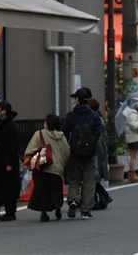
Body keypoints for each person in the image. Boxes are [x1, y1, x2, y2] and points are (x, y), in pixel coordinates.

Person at [61, 88, 103, 220]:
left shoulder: (69, 116)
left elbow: (64, 135)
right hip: (90, 153)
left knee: (74, 179)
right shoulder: (94, 116)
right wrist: (91, 146)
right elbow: (98, 132)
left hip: (74, 153)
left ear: (77, 100)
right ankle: (85, 210)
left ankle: (73, 200)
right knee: (89, 181)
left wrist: (70, 148)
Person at [23, 114, 70, 222]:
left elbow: (30, 150)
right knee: (55, 190)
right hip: (57, 168)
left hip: (43, 167)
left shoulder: (39, 134)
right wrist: (62, 163)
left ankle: (43, 213)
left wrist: (30, 160)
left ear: (46, 123)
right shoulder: (62, 136)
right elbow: (66, 152)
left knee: (42, 190)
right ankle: (57, 209)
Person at [87, 98, 109, 185]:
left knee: (97, 161)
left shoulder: (91, 116)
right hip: (99, 141)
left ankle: (98, 180)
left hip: (94, 141)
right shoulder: (98, 115)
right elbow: (103, 128)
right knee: (101, 159)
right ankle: (102, 179)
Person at [124, 99, 138, 182]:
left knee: (134, 156)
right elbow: (135, 126)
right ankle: (132, 174)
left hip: (134, 137)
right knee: (133, 157)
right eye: (137, 104)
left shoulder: (131, 113)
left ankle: (133, 174)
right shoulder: (132, 114)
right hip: (134, 138)